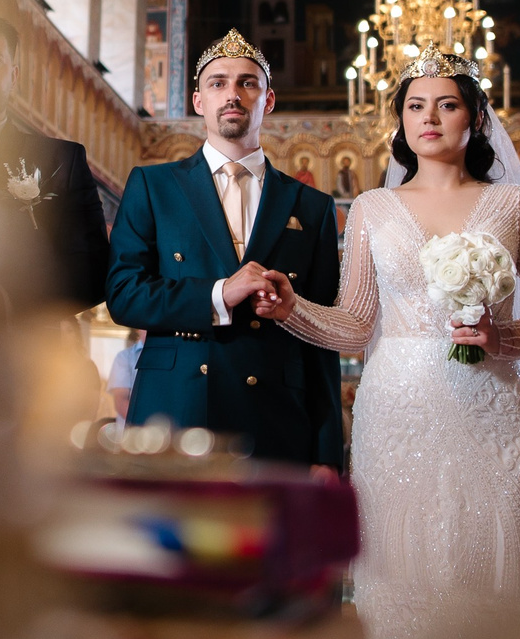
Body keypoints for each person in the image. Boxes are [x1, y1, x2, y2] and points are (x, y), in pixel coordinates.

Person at [261, 53, 520, 639]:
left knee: (498, 566)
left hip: (493, 412)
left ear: (476, 116)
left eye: (447, 104)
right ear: (400, 123)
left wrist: (502, 339)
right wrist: (293, 311)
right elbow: (357, 323)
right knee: (402, 570)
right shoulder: (370, 209)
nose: (429, 117)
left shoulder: (516, 206)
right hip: (398, 414)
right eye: (415, 106)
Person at [104, 31, 344, 471]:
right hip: (175, 410)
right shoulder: (153, 186)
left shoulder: (312, 206)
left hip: (277, 419)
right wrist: (218, 294)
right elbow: (124, 295)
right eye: (217, 83)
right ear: (198, 100)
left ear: (268, 100)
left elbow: (323, 337)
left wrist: (327, 452)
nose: (232, 94)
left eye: (247, 83)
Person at [0, 15, 109, 314]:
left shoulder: (60, 161)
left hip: (17, 342)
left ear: (14, 76)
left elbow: (93, 274)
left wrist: (10, 303)